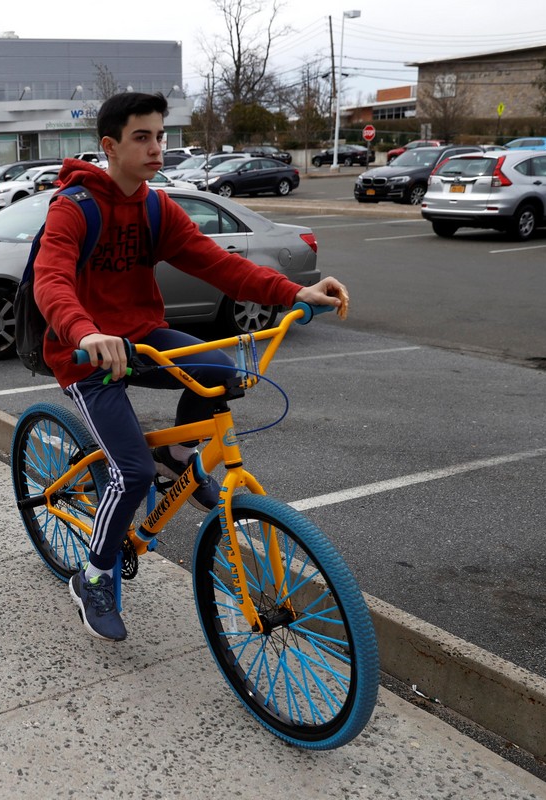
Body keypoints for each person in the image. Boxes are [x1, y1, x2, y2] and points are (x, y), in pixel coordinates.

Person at [33, 92, 347, 643]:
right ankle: (95, 575)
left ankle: (176, 459)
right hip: (88, 355)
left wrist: (296, 290)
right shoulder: (74, 207)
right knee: (128, 473)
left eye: (161, 135)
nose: (158, 147)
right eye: (143, 137)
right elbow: (51, 280)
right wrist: (86, 332)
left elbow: (220, 265)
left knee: (220, 371)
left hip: (145, 337)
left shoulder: (156, 208)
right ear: (109, 146)